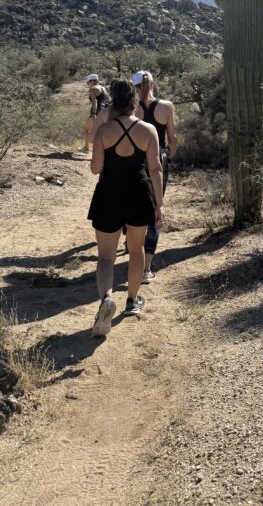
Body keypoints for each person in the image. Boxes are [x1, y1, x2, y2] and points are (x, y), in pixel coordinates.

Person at [87, 78, 164, 335]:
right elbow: (155, 168)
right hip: (139, 193)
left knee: (106, 257)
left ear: (113, 103)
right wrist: (159, 204)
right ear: (134, 101)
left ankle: (106, 299)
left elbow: (96, 168)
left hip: (109, 192)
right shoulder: (148, 130)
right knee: (136, 248)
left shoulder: (104, 131)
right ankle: (132, 300)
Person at [132, 70, 177, 283]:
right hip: (159, 158)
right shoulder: (167, 107)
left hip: (134, 158)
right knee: (156, 207)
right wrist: (169, 155)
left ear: (135, 86)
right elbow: (172, 138)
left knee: (133, 203)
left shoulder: (131, 107)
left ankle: (132, 250)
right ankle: (146, 268)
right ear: (153, 84)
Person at [83, 74, 109, 152]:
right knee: (103, 131)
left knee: (87, 129)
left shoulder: (93, 89)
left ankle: (86, 148)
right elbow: (108, 100)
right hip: (105, 111)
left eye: (88, 82)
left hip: (97, 111)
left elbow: (95, 101)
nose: (88, 84)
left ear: (91, 81)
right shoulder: (103, 88)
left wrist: (94, 113)